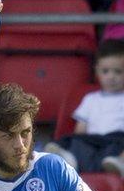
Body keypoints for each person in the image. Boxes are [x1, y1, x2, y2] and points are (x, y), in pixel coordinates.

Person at [44, 39, 124, 175]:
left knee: (116, 148)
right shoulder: (90, 99)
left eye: (118, 72)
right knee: (74, 140)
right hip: (92, 140)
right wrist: (77, 141)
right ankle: (71, 159)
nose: (111, 77)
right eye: (105, 71)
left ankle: (118, 163)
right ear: (97, 72)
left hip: (117, 140)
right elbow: (81, 129)